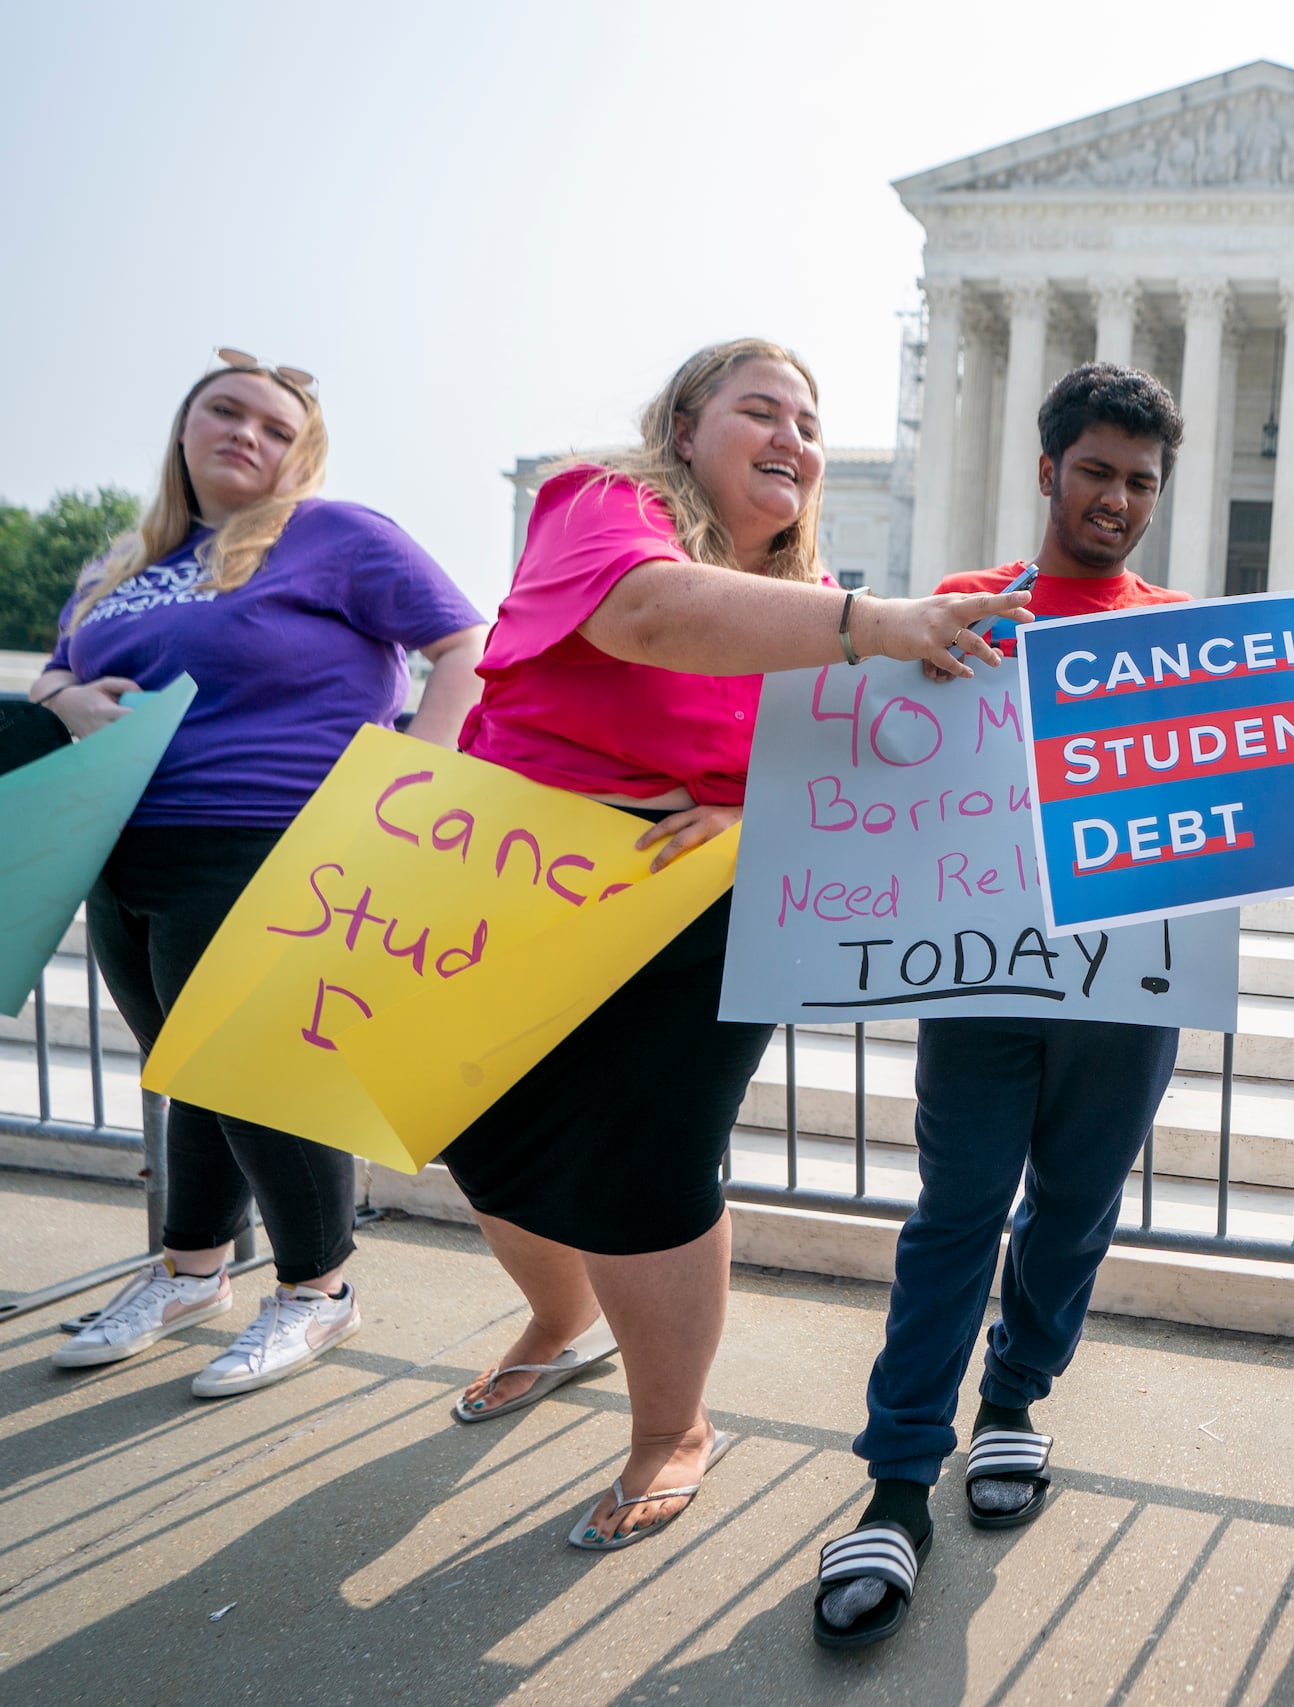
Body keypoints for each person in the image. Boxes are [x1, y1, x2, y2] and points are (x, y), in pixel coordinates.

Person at [433, 338, 1028, 1552]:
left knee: (650, 1160)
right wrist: (877, 622)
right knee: (474, 1132)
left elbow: (850, 784)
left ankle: (671, 1429)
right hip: (514, 882)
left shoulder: (816, 613)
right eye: (762, 410)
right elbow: (649, 615)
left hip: (700, 910)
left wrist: (752, 815)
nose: (795, 441)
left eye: (809, 424)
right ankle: (560, 1323)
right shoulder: (605, 503)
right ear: (686, 425)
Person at [812, 363, 1192, 1648]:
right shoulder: (957, 611)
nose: (1118, 499)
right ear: (1048, 472)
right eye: (1096, 472)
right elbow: (854, 742)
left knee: (1076, 1210)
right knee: (956, 1214)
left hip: (1127, 980)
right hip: (971, 973)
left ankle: (1016, 1403)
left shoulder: (1178, 628)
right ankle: (897, 1480)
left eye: (1141, 481)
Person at [39, 351, 487, 1396]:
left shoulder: (332, 535)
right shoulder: (124, 558)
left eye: (276, 428)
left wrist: (411, 782)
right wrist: (61, 699)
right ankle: (192, 1273)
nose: (247, 434)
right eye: (225, 413)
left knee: (261, 1075)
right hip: (124, 842)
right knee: (189, 1069)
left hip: (271, 838)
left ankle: (319, 1291)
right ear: (185, 430)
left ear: (304, 455)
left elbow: (466, 645)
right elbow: (62, 663)